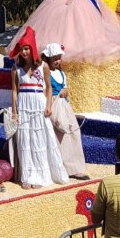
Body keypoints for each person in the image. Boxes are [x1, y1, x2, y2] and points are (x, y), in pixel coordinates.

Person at [9, 27, 68, 189]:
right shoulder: (15, 69)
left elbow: (48, 87)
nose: (24, 52)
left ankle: (41, 175)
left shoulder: (43, 67)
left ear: (32, 48)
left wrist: (48, 105)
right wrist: (14, 111)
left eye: (27, 48)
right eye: (22, 49)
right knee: (25, 140)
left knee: (40, 138)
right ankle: (27, 176)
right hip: (23, 105)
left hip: (38, 105)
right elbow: (14, 91)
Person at [41, 42, 88, 180]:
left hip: (63, 106)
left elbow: (66, 88)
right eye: (54, 58)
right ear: (48, 58)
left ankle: (75, 167)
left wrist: (65, 92)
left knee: (72, 132)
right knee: (57, 135)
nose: (57, 61)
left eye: (59, 58)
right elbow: (45, 90)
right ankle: (60, 166)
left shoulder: (61, 73)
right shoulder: (45, 72)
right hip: (52, 105)